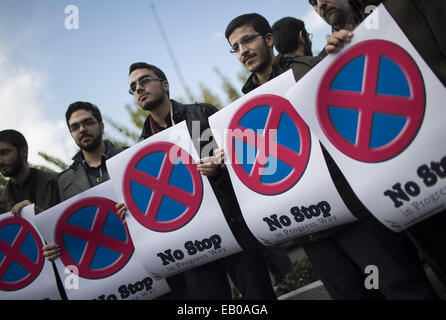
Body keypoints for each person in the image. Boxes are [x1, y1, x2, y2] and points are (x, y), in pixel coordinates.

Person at [225, 12, 438, 299]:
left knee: (400, 286)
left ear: (269, 39)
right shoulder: (244, 107)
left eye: (247, 40)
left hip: (353, 210)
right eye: (235, 47)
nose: (243, 51)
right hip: (309, 226)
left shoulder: (308, 71)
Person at [311, 0, 446, 288]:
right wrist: (346, 56)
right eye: (312, 2)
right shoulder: (333, 53)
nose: (320, 3)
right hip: (412, 189)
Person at [126, 62, 276, 299]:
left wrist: (221, 166)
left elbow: (244, 160)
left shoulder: (201, 115)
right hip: (189, 241)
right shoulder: (142, 147)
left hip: (233, 225)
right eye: (133, 87)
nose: (138, 89)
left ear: (165, 85)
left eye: (144, 81)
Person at [0, 129, 59, 215]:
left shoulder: (58, 182)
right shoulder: (1, 203)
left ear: (24, 152)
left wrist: (39, 214)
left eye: (4, 153)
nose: (0, 161)